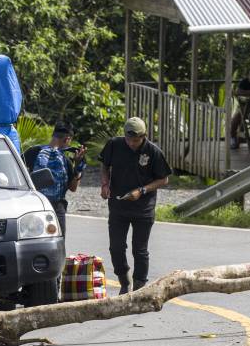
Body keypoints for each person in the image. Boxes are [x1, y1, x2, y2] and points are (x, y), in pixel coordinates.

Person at [98, 117, 171, 295]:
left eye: (136, 140)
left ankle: (139, 287)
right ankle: (124, 280)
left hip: (143, 209)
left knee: (140, 249)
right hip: (118, 205)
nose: (132, 143)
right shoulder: (114, 145)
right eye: (129, 139)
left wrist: (142, 191)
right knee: (116, 247)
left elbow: (164, 179)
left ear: (144, 136)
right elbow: (104, 165)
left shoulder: (153, 152)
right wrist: (105, 184)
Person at [32, 122, 87, 237]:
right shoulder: (65, 160)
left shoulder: (32, 153)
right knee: (58, 243)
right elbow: (73, 188)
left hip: (35, 207)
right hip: (57, 209)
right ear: (67, 139)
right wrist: (78, 167)